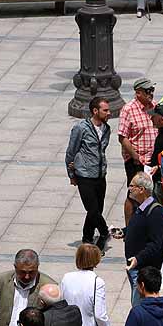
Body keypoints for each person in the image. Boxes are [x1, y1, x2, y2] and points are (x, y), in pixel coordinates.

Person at [66, 97, 112, 252]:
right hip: (84, 175)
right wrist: (71, 174)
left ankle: (87, 239)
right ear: (95, 111)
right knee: (92, 209)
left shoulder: (106, 129)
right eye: (105, 110)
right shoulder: (81, 128)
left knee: (96, 210)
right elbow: (71, 152)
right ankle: (105, 233)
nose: (108, 113)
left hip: (100, 174)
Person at [123, 172, 163, 306]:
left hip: (143, 270)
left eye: (132, 186)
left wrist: (137, 259)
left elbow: (155, 244)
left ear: (142, 190)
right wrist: (123, 232)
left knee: (140, 307)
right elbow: (139, 230)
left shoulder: (155, 212)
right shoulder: (141, 207)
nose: (129, 188)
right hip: (135, 267)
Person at [118, 78, 158, 186]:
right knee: (135, 193)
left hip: (153, 160)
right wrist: (135, 156)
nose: (151, 93)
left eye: (152, 90)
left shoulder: (155, 106)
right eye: (147, 91)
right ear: (138, 93)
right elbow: (122, 137)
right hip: (137, 161)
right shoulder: (128, 109)